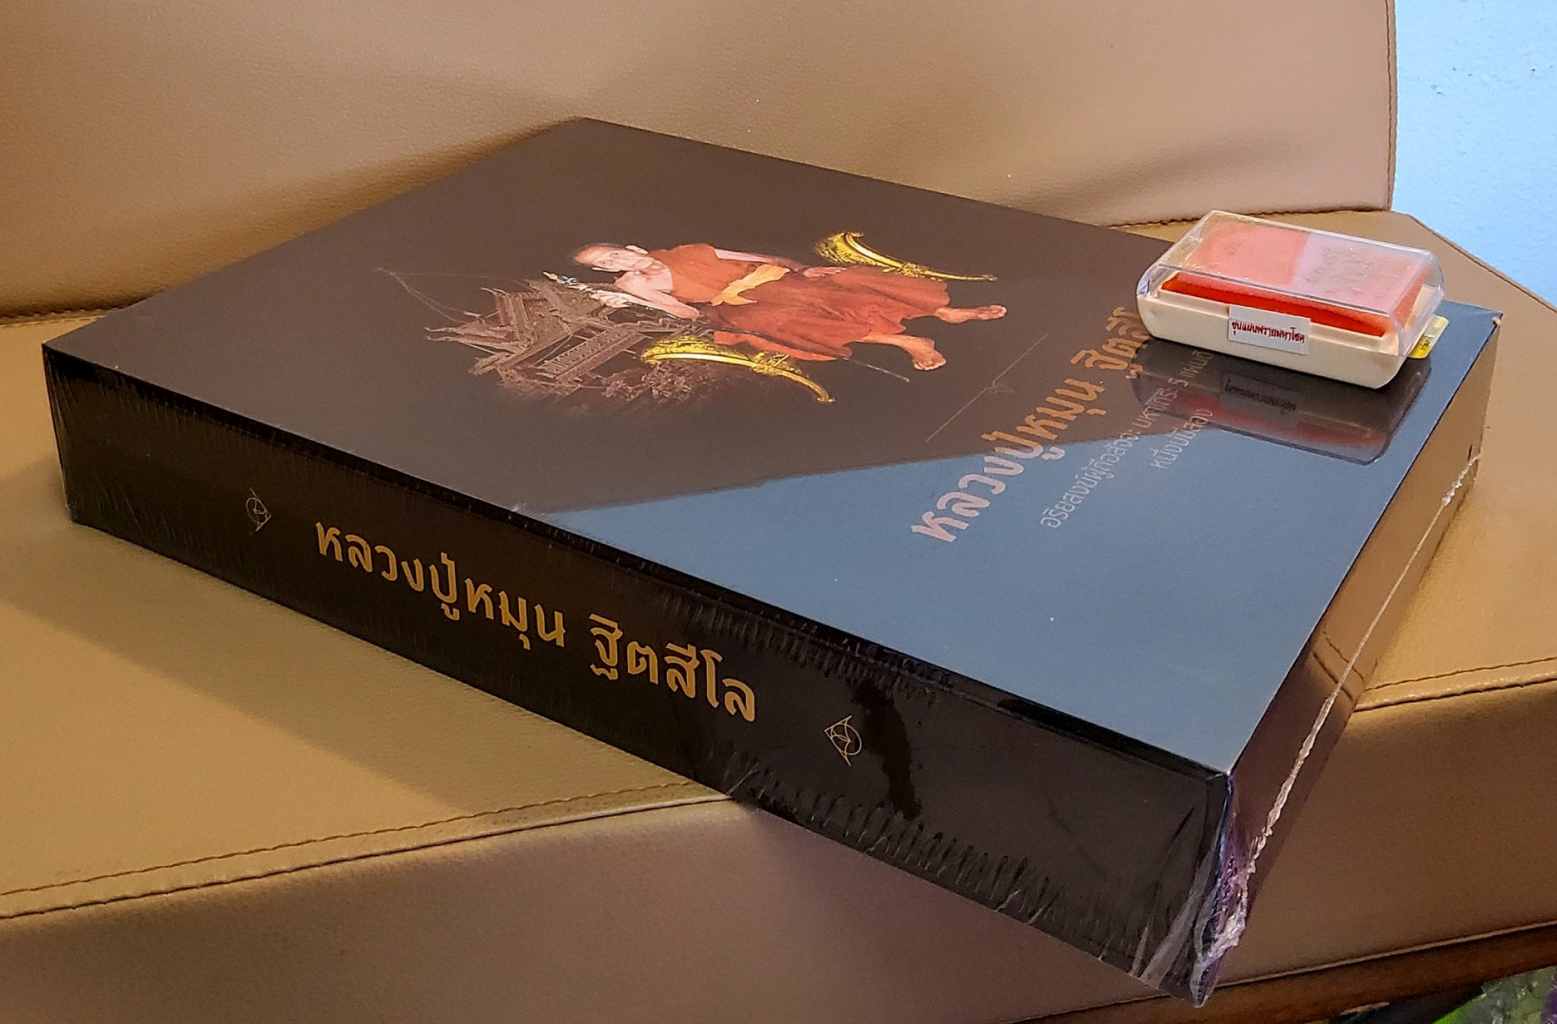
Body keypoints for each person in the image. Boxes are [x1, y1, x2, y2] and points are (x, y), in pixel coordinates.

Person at [572, 242, 1005, 371]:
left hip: (768, 278)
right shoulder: (632, 284)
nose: (614, 262)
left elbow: (756, 257)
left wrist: (801, 267)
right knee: (779, 318)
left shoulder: (687, 250)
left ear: (630, 247)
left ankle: (940, 312)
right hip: (733, 305)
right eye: (604, 264)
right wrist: (635, 297)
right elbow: (687, 313)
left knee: (838, 282)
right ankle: (907, 341)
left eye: (613, 253)